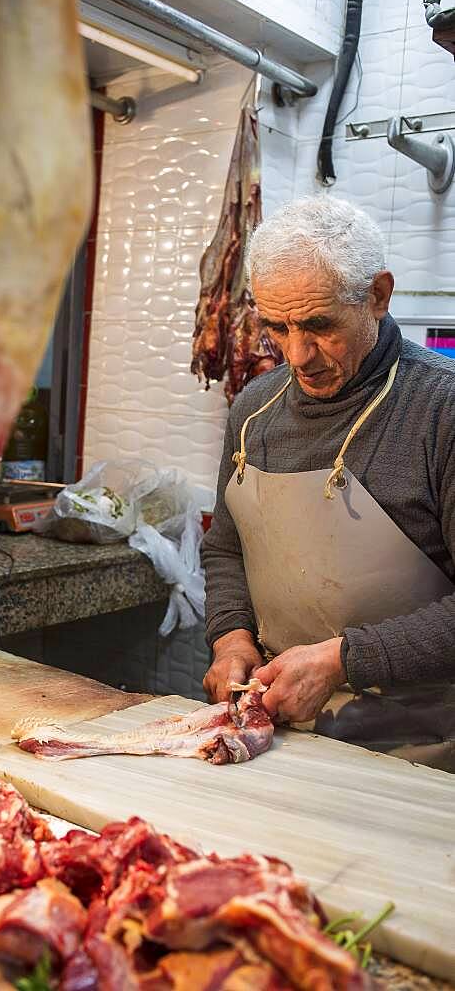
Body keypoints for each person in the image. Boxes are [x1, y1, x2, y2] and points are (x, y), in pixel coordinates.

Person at [202, 195, 455, 771]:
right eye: (276, 328)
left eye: (319, 326)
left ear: (378, 296)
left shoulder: (441, 409)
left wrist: (343, 660)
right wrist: (231, 636)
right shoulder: (253, 410)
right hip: (277, 734)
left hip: (424, 750)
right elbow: (226, 547)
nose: (297, 355)